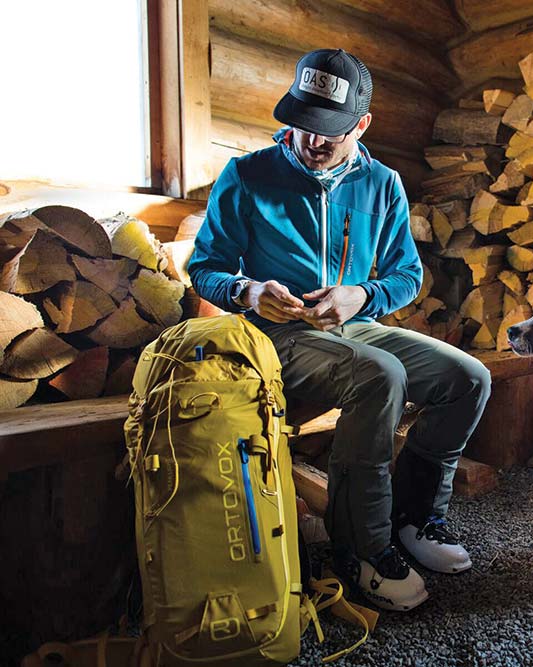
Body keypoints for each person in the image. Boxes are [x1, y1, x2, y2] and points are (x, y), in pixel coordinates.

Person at [188, 48, 492, 612]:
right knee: (380, 377)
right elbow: (204, 268)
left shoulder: (383, 184)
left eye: (329, 129)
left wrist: (362, 296)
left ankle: (415, 517)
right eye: (301, 122)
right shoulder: (248, 175)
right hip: (272, 335)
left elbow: (407, 276)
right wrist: (247, 291)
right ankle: (365, 548)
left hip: (356, 325)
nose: (312, 140)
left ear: (362, 123)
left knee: (469, 377)